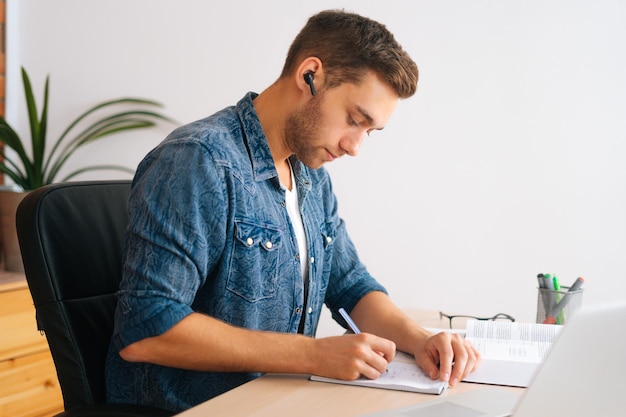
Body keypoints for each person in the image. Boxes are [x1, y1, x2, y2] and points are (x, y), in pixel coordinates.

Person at [105, 9, 480, 413]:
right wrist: (313, 355)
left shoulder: (310, 174)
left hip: (279, 402)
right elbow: (146, 329)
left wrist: (420, 339)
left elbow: (351, 286)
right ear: (310, 76)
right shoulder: (199, 162)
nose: (355, 146)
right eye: (354, 119)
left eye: (368, 131)